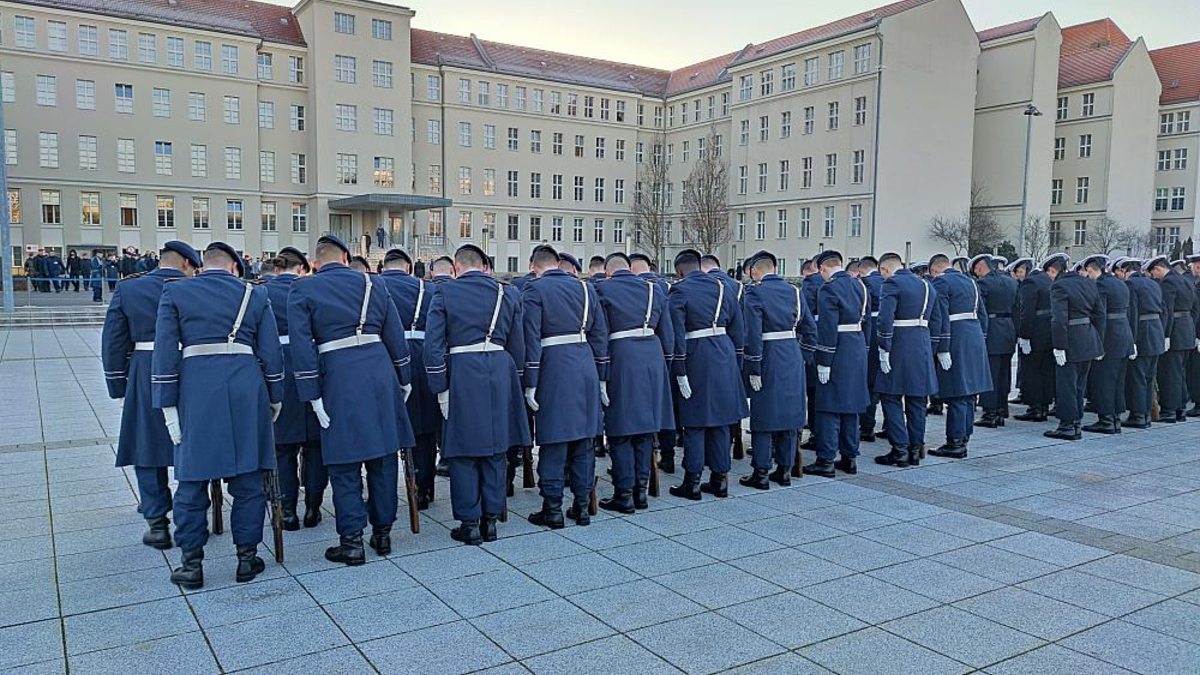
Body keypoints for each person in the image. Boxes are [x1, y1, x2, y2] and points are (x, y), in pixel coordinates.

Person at [152, 242, 284, 590]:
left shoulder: (176, 292)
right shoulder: (253, 295)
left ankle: (191, 563)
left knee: (192, 481)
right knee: (248, 480)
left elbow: (165, 352)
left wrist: (167, 405)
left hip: (196, 389)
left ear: (201, 266)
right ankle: (246, 557)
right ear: (234, 267)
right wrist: (275, 396)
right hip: (245, 386)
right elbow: (270, 352)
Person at [287, 234, 415, 565]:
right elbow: (394, 336)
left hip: (338, 376)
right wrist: (403, 378)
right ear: (346, 258)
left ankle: (352, 540)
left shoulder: (303, 288)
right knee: (384, 455)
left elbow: (302, 348)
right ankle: (383, 533)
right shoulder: (374, 284)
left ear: (315, 262)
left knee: (344, 461)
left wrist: (311, 395)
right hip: (379, 371)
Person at [424, 243, 530, 544]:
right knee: (497, 447)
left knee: (462, 450)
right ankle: (491, 521)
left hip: (462, 370)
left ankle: (469, 524)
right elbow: (518, 343)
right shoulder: (507, 292)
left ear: (456, 268)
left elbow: (433, 346)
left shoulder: (444, 292)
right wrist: (516, 379)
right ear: (485, 266)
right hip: (499, 368)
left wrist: (439, 387)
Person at [102, 241, 202, 551]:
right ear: (187, 264)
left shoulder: (129, 289)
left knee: (146, 444)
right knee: (192, 441)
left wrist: (119, 386)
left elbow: (114, 341)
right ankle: (196, 512)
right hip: (191, 369)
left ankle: (157, 522)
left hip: (145, 371)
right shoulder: (196, 289)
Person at [521, 246, 608, 527]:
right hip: (585, 365)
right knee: (584, 441)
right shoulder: (585, 289)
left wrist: (530, 381)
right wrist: (601, 374)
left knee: (554, 440)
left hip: (553, 367)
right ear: (559, 264)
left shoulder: (534, 290)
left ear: (534, 267)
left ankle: (553, 508)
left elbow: (531, 339)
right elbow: (599, 334)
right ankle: (582, 507)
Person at [594, 252, 674, 511]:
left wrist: (601, 373)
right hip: (652, 355)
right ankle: (641, 491)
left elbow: (601, 334)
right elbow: (668, 334)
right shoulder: (654, 290)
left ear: (608, 272)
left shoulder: (602, 290)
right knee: (645, 429)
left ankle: (624, 493)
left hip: (622, 356)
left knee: (620, 429)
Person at [668, 249, 747, 498]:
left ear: (680, 271)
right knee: (722, 421)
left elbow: (676, 334)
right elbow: (738, 330)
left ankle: (691, 482)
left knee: (694, 421)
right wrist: (736, 363)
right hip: (724, 353)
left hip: (696, 355)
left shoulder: (679, 290)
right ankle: (719, 479)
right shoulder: (725, 287)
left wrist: (679, 369)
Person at [739, 251, 816, 489]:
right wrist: (803, 356)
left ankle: (761, 472)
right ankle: (785, 469)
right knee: (790, 413)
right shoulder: (795, 291)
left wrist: (753, 366)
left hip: (768, 354)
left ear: (755, 270)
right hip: (791, 353)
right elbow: (810, 328)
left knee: (764, 413)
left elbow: (752, 334)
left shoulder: (754, 292)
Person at [265, 248, 328, 530]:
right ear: (302, 268)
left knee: (283, 449)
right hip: (313, 369)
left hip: (278, 372)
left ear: (278, 269)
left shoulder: (260, 292)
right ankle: (313, 508)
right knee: (315, 446)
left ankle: (287, 509)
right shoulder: (312, 289)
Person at [379, 248, 440, 509]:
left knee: (384, 429)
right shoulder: (428, 288)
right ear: (407, 267)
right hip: (421, 356)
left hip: (384, 357)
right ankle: (423, 489)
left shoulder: (374, 286)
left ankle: (383, 493)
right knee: (424, 430)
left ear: (383, 267)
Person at [804, 250, 869, 476]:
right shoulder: (860, 286)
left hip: (838, 349)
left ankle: (826, 459)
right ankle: (849, 457)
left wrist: (824, 360)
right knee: (851, 405)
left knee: (828, 406)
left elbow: (827, 328)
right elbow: (866, 320)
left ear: (823, 269)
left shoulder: (828, 289)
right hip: (857, 347)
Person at [873, 253, 939, 467]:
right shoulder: (926, 285)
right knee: (917, 399)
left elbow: (885, 319)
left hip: (899, 345)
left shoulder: (892, 283)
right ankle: (915, 449)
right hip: (922, 343)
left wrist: (884, 348)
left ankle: (899, 448)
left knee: (891, 397)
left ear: (884, 270)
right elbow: (935, 319)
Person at [1043, 253, 1104, 440]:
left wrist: (1059, 345)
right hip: (1088, 337)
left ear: (1053, 270)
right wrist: (1098, 342)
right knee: (1079, 385)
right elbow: (1099, 314)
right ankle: (1076, 421)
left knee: (1066, 385)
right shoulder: (1088, 282)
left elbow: (1059, 319)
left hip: (1070, 339)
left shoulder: (1059, 286)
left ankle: (1067, 425)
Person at [701, 253, 748, 467]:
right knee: (727, 408)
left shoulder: (702, 286)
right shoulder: (736, 287)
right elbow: (740, 327)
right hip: (728, 351)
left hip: (706, 351)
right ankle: (730, 445)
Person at [1081, 255, 1134, 434]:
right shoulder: (1121, 283)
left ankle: (1106, 419)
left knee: (1103, 380)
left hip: (1109, 337)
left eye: (1088, 272)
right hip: (1124, 335)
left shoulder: (1100, 286)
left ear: (1093, 270)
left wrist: (1099, 343)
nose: (1088, 276)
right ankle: (1116, 417)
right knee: (1118, 380)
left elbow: (1100, 316)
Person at [1151, 255, 1199, 423]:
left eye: (1154, 273)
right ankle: (1180, 409)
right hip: (1187, 330)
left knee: (1169, 373)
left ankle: (1169, 410)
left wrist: (1165, 335)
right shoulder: (1186, 280)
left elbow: (1167, 311)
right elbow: (1195, 309)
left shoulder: (1168, 283)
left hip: (1175, 331)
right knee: (1180, 372)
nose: (1154, 277)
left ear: (1158, 268)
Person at [1119, 258, 1166, 428]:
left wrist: (1132, 340)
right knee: (1149, 376)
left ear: (1125, 271)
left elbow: (1132, 313)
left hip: (1142, 333)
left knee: (1138, 376)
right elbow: (1164, 310)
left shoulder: (1131, 285)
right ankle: (1146, 413)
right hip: (1156, 332)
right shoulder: (1153, 284)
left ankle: (1138, 415)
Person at [973, 254, 1019, 428]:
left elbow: (980, 311)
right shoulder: (1011, 282)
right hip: (1008, 329)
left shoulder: (983, 284)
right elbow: (1018, 309)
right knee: (1003, 374)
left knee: (990, 373)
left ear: (979, 268)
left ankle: (990, 412)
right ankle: (1001, 408)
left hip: (992, 329)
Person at [1014, 257, 1054, 421]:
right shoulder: (1047, 280)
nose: (1018, 277)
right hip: (1050, 331)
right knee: (1046, 371)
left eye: (1018, 273)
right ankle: (1044, 406)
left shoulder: (1030, 283)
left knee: (1032, 372)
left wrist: (1024, 335)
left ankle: (1035, 408)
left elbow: (1027, 312)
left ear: (1023, 270)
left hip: (1036, 333)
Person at [855, 256, 883, 441]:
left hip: (870, 334)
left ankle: (867, 426)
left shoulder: (864, 284)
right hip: (890, 335)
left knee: (869, 383)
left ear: (862, 270)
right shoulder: (887, 281)